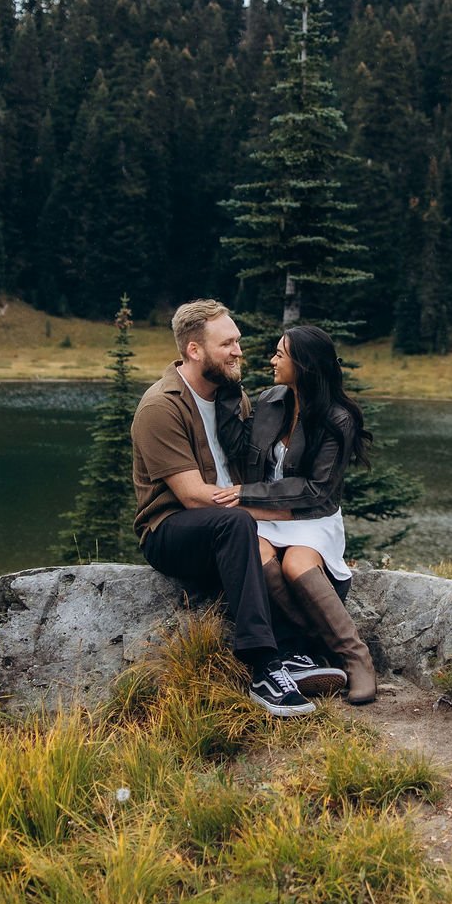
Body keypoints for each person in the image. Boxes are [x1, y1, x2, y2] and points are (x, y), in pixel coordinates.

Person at [131, 299, 345, 716]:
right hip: (170, 531)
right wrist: (258, 508)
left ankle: (294, 653)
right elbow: (193, 496)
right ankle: (264, 666)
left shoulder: (235, 397)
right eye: (228, 343)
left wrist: (285, 515)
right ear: (195, 350)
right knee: (236, 526)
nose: (239, 352)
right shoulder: (161, 406)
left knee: (289, 550)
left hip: (233, 522)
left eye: (238, 341)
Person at [221, 324, 377, 704]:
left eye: (280, 354)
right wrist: (226, 391)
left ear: (304, 364)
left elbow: (315, 491)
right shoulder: (272, 400)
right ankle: (308, 646)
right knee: (255, 554)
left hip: (311, 517)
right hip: (265, 512)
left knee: (295, 565)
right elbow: (241, 450)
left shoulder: (338, 419)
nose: (272, 360)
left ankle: (356, 658)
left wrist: (245, 493)